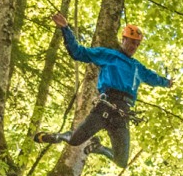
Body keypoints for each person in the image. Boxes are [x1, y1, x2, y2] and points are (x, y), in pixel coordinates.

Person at [33, 12, 173, 167]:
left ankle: (98, 147)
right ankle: (61, 136)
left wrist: (167, 82)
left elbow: (153, 78)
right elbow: (78, 52)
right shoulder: (109, 55)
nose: (134, 47)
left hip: (123, 114)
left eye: (137, 44)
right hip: (105, 107)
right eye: (132, 42)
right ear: (123, 39)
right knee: (74, 140)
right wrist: (66, 29)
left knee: (121, 161)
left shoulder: (138, 67)